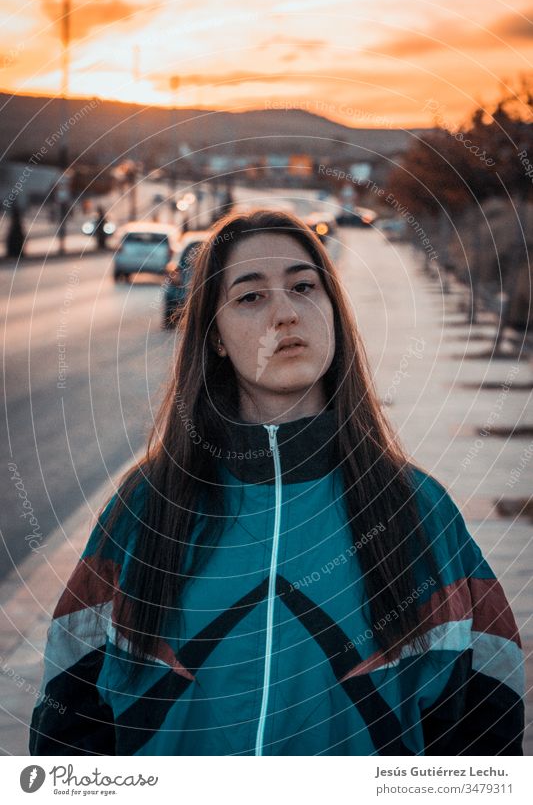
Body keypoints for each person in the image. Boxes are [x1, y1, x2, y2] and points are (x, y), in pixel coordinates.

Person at [29, 209, 525, 756]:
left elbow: (487, 720)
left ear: (334, 311)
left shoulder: (417, 509)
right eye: (250, 297)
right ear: (215, 336)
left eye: (304, 287)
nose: (285, 314)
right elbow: (67, 716)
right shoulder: (146, 506)